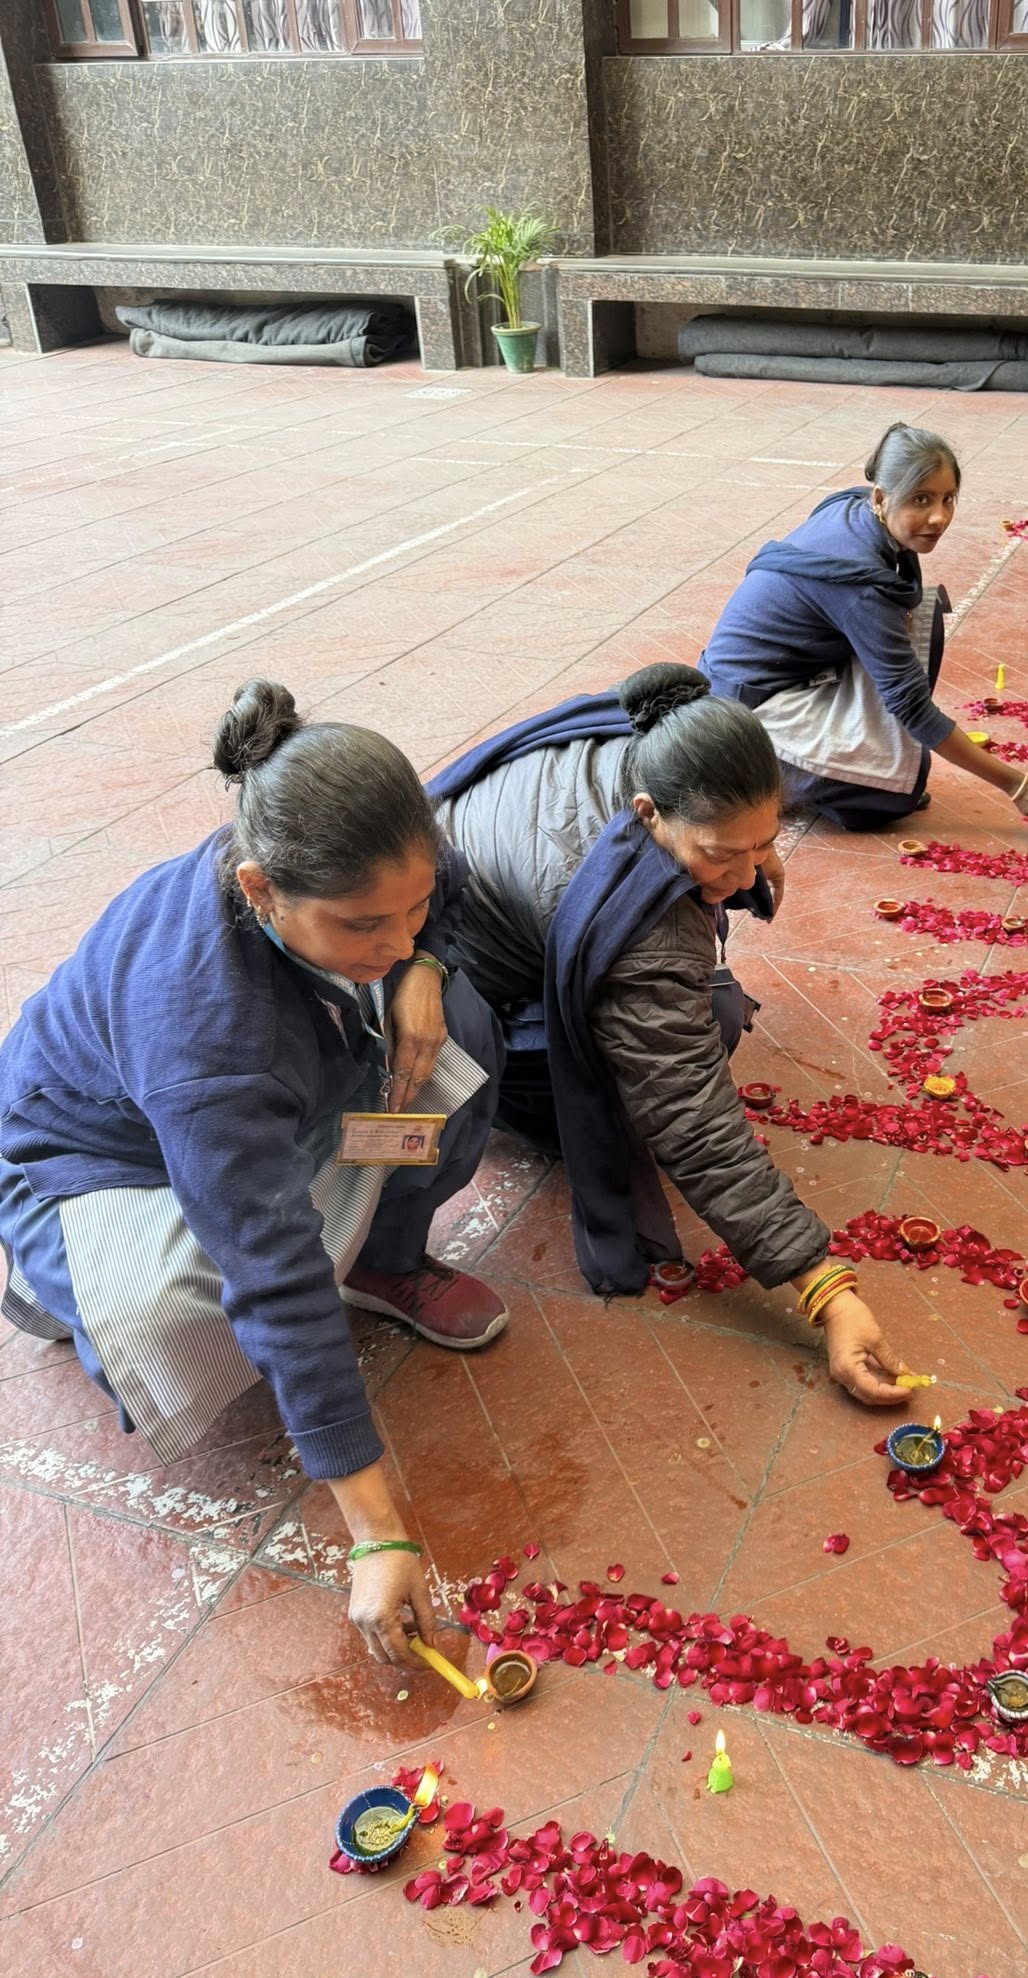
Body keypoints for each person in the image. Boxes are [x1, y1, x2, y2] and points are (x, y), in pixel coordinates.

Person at [0, 681, 508, 1667]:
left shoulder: (371, 868)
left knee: (453, 1046)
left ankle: (379, 1258)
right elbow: (272, 1270)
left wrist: (423, 971)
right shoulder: (210, 1033)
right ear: (259, 889)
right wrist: (379, 1531)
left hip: (281, 1097)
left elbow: (429, 908)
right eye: (364, 926)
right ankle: (47, 1276)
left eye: (411, 907)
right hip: (98, 1154)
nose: (396, 935)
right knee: (184, 1310)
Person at [432, 664, 911, 1409]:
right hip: (463, 985)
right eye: (720, 853)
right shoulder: (635, 919)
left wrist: (741, 850)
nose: (745, 876)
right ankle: (512, 1100)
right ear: (647, 813)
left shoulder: (662, 738)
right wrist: (826, 1290)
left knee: (697, 998)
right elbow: (689, 1110)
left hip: (492, 889)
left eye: (764, 841)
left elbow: (723, 840)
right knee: (705, 1023)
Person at [698, 421, 1028, 831]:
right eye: (920, 499)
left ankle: (816, 770)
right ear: (882, 498)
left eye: (948, 498)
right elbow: (912, 706)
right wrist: (1015, 784)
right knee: (887, 796)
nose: (939, 517)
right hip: (743, 710)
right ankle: (767, 777)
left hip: (777, 676)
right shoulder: (862, 583)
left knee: (918, 621)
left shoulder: (856, 507)